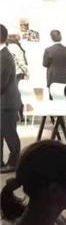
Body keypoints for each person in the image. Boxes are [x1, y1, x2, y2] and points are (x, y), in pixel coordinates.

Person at [0, 24, 22, 174]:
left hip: (7, 103)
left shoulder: (5, 57)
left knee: (10, 134)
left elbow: (1, 82)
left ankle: (14, 163)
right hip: (3, 102)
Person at [43, 30, 66, 101]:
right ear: (61, 37)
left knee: (54, 100)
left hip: (52, 79)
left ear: (51, 38)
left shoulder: (48, 50)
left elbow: (45, 64)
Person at [6, 33, 28, 122]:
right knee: (19, 95)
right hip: (18, 74)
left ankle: (14, 116)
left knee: (11, 96)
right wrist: (26, 72)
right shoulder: (17, 48)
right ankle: (21, 116)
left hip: (9, 75)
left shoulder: (6, 48)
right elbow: (21, 62)